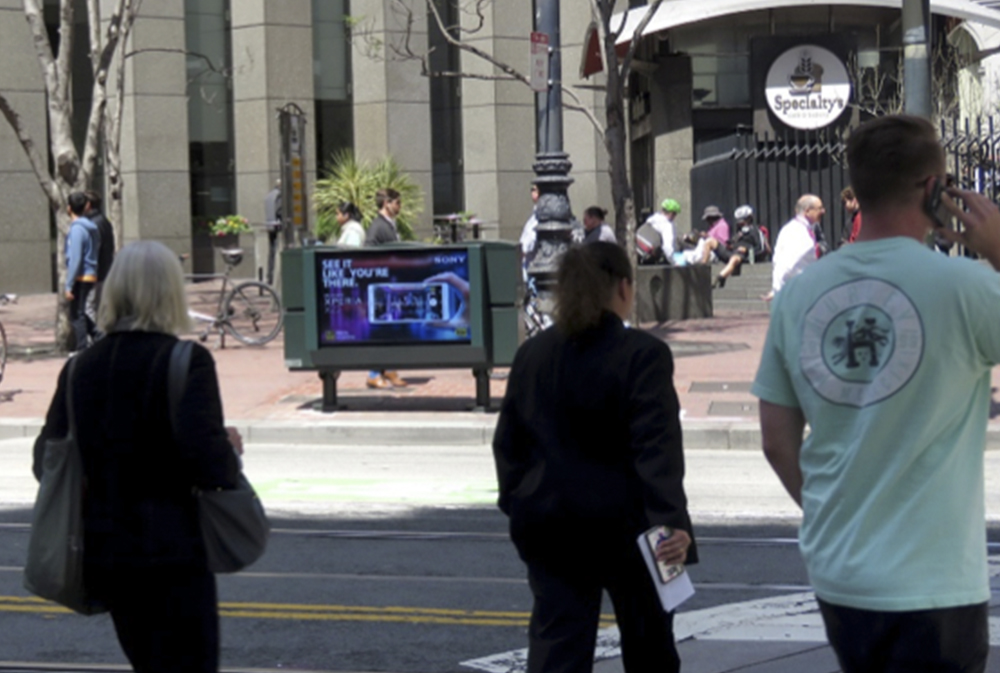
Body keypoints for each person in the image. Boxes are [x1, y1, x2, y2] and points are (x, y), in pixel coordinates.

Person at [752, 114, 1000, 673]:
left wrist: (828, 512)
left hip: (842, 571)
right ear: (935, 188)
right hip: (935, 581)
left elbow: (776, 440)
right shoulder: (966, 288)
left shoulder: (799, 295)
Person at [34, 240, 242, 672]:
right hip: (175, 554)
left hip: (108, 554)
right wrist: (228, 446)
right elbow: (212, 467)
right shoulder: (188, 362)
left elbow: (45, 461)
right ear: (170, 293)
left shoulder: (80, 369)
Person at [493, 241, 696, 673]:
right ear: (623, 287)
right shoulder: (643, 355)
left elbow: (508, 445)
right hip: (631, 529)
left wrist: (517, 503)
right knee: (650, 647)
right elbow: (656, 450)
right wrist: (671, 522)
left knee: (558, 648)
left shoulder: (533, 354)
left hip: (550, 525)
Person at [365, 189, 407, 389]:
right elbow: (370, 253)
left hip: (390, 284)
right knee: (381, 330)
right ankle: (374, 373)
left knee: (390, 328)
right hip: (381, 286)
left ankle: (389, 369)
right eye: (397, 203)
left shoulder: (388, 225)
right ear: (387, 203)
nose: (399, 207)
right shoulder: (378, 227)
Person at [64, 191, 101, 353]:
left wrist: (69, 285)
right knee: (80, 312)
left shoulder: (77, 230)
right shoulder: (92, 227)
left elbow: (76, 258)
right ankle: (100, 338)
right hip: (90, 272)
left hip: (81, 275)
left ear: (69, 208)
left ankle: (82, 349)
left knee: (76, 315)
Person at [769, 193, 825, 296]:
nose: (823, 211)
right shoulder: (797, 232)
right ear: (808, 211)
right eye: (819, 208)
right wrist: (777, 290)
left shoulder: (796, 228)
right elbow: (784, 264)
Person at [83, 189, 115, 334]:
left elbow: (93, 250)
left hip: (94, 273)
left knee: (88, 308)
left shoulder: (92, 224)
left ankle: (95, 339)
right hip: (104, 270)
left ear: (88, 205)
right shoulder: (104, 221)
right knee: (99, 306)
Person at [636, 198, 680, 264]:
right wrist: (674, 262)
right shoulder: (666, 224)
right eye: (675, 214)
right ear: (672, 213)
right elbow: (667, 247)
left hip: (635, 249)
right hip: (646, 255)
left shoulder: (653, 219)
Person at [519, 183, 541, 267]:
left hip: (533, 264)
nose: (532, 192)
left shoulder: (540, 215)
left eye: (534, 190)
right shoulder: (533, 216)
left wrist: (523, 251)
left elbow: (531, 239)